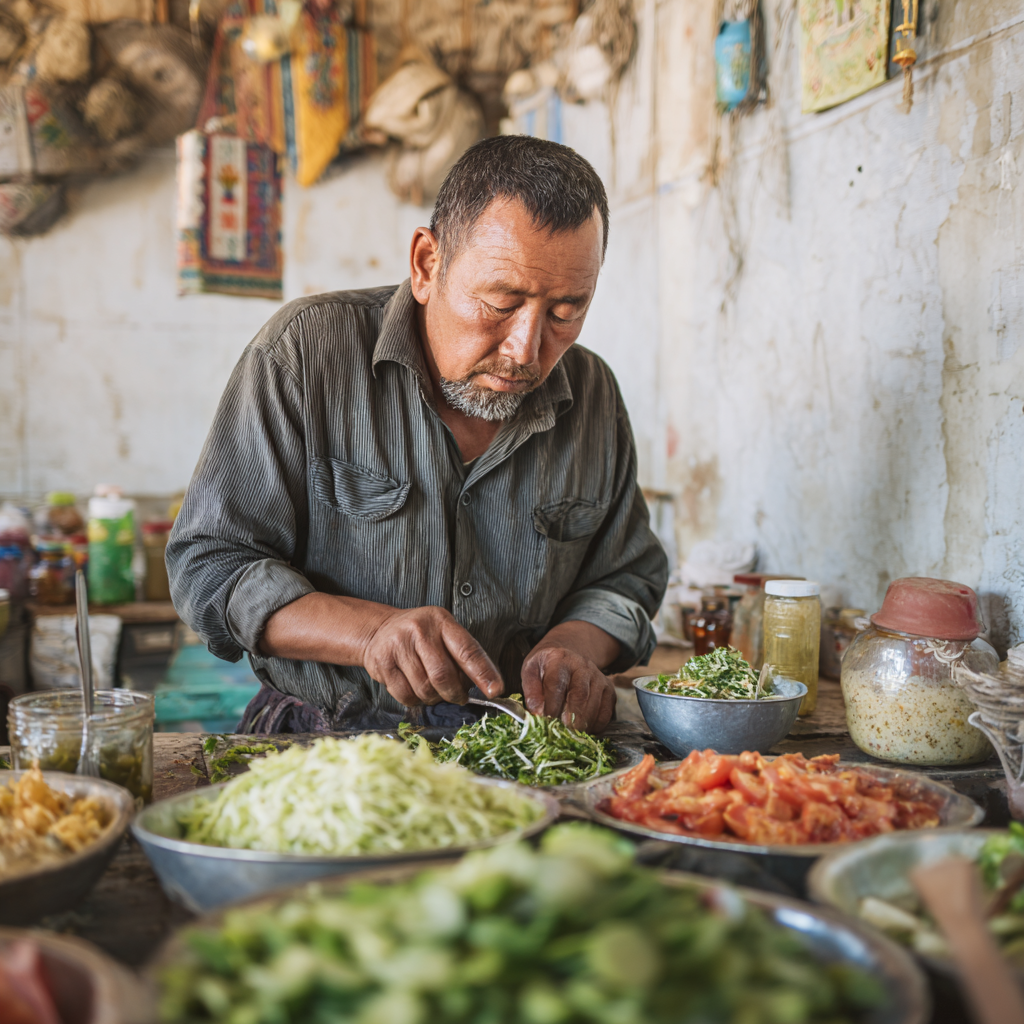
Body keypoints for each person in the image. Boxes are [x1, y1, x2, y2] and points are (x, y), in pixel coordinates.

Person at [166, 135, 668, 735]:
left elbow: (626, 578)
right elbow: (210, 565)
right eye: (500, 302)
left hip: (525, 748)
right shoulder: (303, 355)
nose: (526, 350)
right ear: (428, 265)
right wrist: (370, 632)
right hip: (327, 746)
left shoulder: (592, 395)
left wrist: (575, 648)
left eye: (566, 311)